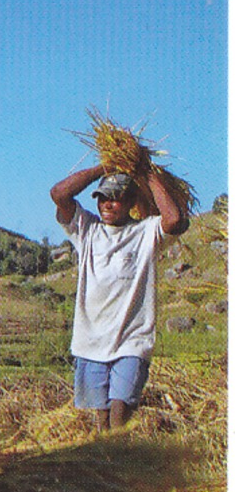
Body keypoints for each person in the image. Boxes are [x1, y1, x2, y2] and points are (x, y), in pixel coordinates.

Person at [50, 161, 190, 428]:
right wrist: (104, 167)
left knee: (120, 408)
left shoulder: (145, 232)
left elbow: (172, 219)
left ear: (131, 203)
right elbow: (59, 194)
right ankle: (108, 461)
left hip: (132, 340)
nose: (107, 205)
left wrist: (146, 172)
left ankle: (119, 454)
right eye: (103, 199)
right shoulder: (87, 229)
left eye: (116, 199)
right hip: (91, 341)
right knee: (101, 416)